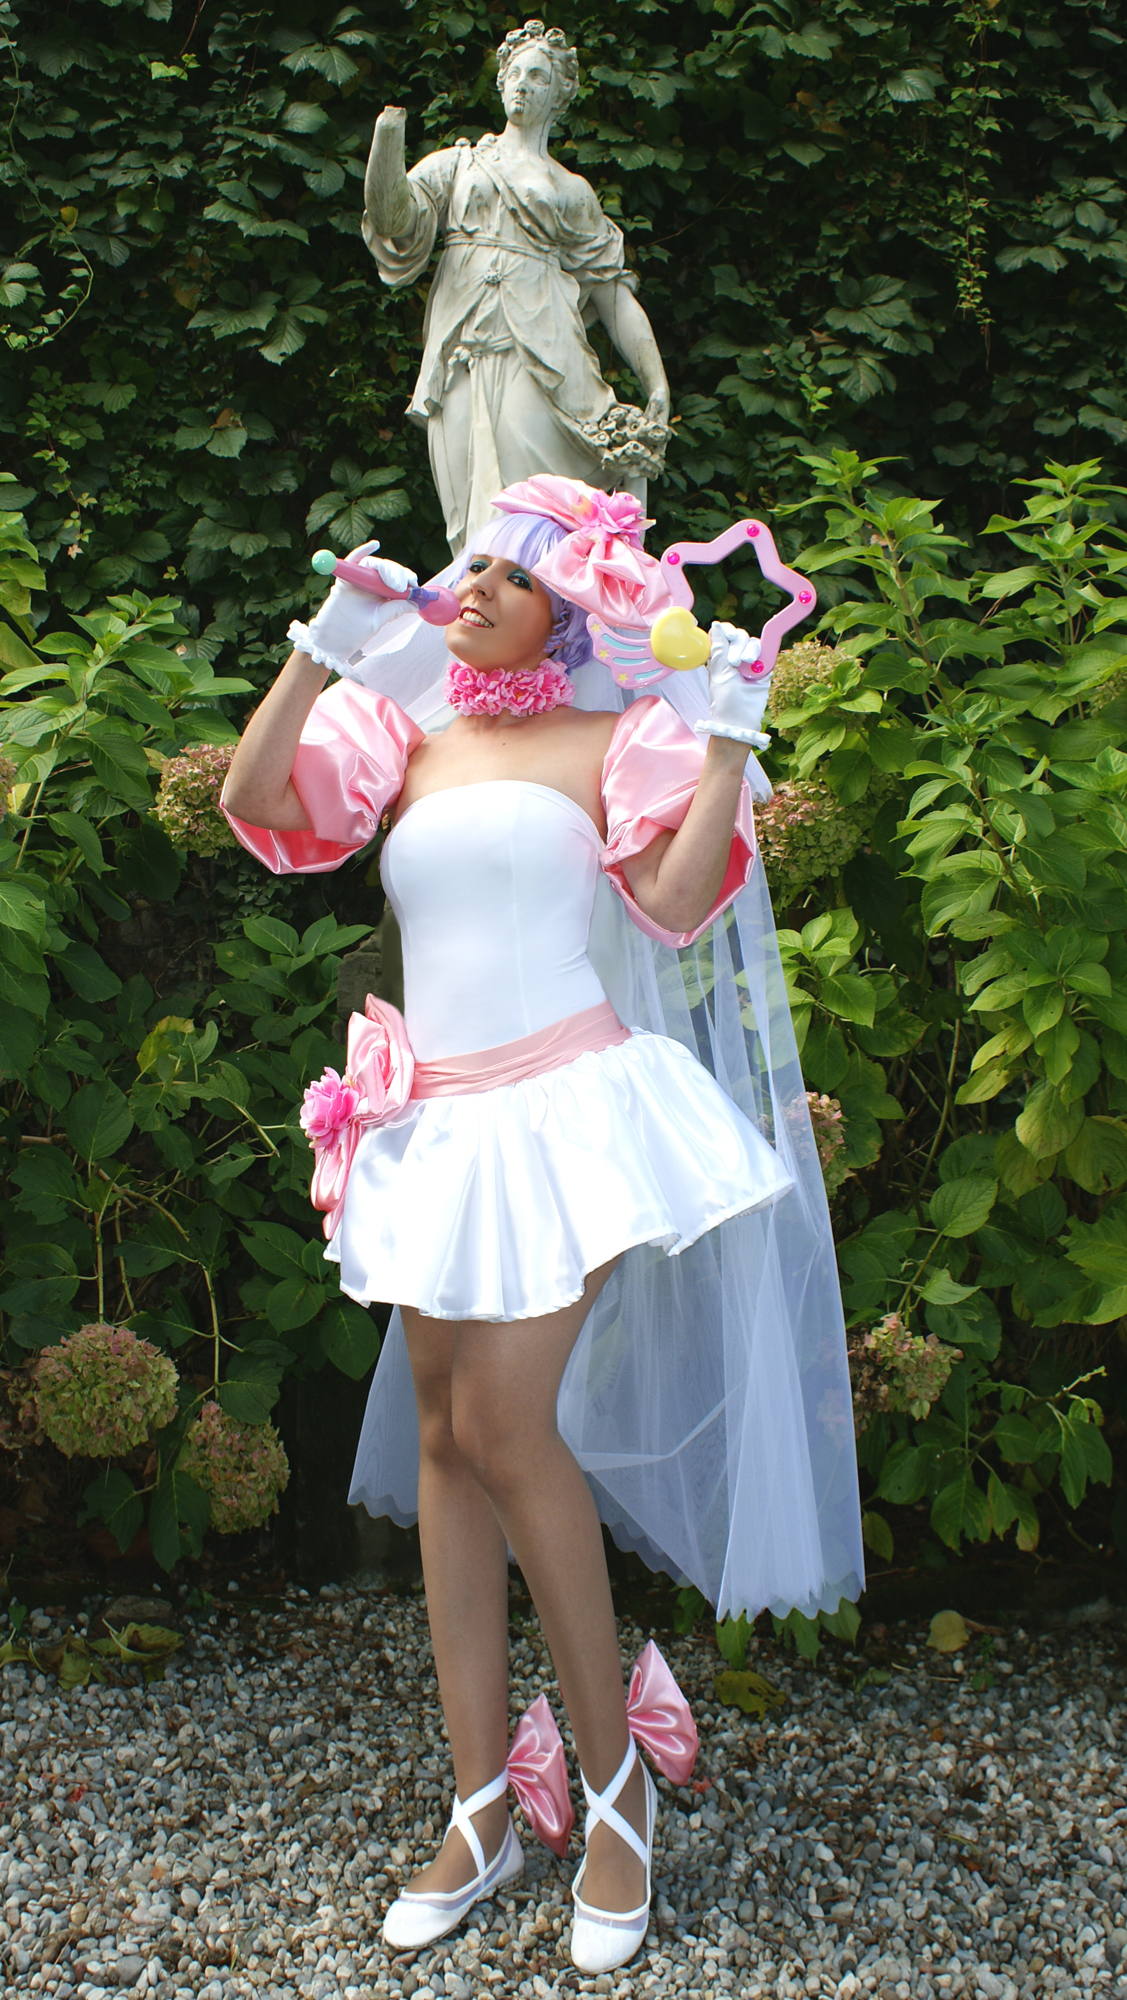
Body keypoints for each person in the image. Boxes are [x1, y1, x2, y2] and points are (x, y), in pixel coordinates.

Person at [221, 476, 862, 1975]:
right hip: (433, 1122)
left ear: (568, 606)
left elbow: (678, 900)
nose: (475, 587)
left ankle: (614, 1787)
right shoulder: (405, 732)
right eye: (468, 566)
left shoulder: (607, 737)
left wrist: (727, 742)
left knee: (507, 1426)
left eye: (512, 572)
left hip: (566, 1109)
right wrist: (321, 646)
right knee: (446, 1436)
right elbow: (259, 798)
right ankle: (481, 1804)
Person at [362, 20, 670, 552]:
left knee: (533, 509)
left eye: (538, 76)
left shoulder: (570, 190)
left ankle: (546, 600)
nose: (522, 85)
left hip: (543, 357)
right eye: (515, 74)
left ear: (559, 94)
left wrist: (656, 382)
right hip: (462, 350)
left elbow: (612, 294)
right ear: (501, 82)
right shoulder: (457, 165)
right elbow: (392, 217)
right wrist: (387, 138)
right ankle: (480, 602)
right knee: (469, 518)